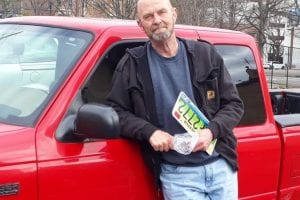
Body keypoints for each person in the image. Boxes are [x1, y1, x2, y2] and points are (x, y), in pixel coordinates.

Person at [106, 0, 244, 199]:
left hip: (221, 166)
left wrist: (210, 132)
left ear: (174, 14)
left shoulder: (205, 54)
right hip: (178, 175)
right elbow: (116, 110)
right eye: (148, 16)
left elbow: (234, 104)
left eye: (161, 12)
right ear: (140, 24)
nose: (157, 20)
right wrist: (149, 131)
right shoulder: (132, 65)